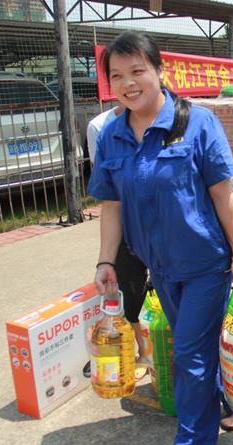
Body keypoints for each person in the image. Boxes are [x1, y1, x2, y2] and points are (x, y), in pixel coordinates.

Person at [87, 31, 233, 445]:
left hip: (204, 263)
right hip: (158, 266)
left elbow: (223, 196)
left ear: (159, 71)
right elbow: (111, 205)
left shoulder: (197, 123)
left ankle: (191, 440)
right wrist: (105, 261)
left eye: (137, 70)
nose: (128, 83)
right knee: (194, 344)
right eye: (116, 75)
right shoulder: (111, 135)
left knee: (189, 350)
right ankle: (219, 403)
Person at [87, 104, 153, 382]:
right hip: (125, 224)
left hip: (162, 222)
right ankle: (145, 351)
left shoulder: (174, 119)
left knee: (165, 291)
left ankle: (166, 349)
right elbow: (110, 192)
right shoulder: (100, 127)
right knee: (130, 289)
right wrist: (105, 258)